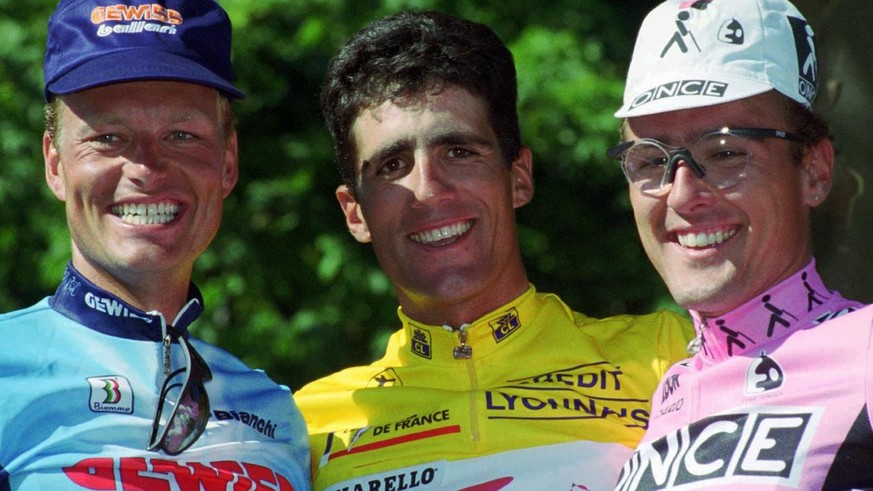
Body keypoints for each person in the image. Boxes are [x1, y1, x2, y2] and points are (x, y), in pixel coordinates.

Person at [293, 10, 694, 490]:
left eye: (459, 152)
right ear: (355, 213)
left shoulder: (672, 354)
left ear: (518, 176)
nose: (429, 189)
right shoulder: (302, 428)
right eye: (393, 164)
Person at [0, 1, 311, 489]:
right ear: (55, 164)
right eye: (108, 137)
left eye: (182, 134)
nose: (146, 167)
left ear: (228, 163)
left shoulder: (276, 412)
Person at [609, 0, 873, 489]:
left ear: (813, 172)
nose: (683, 195)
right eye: (650, 160)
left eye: (726, 152)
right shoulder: (649, 399)